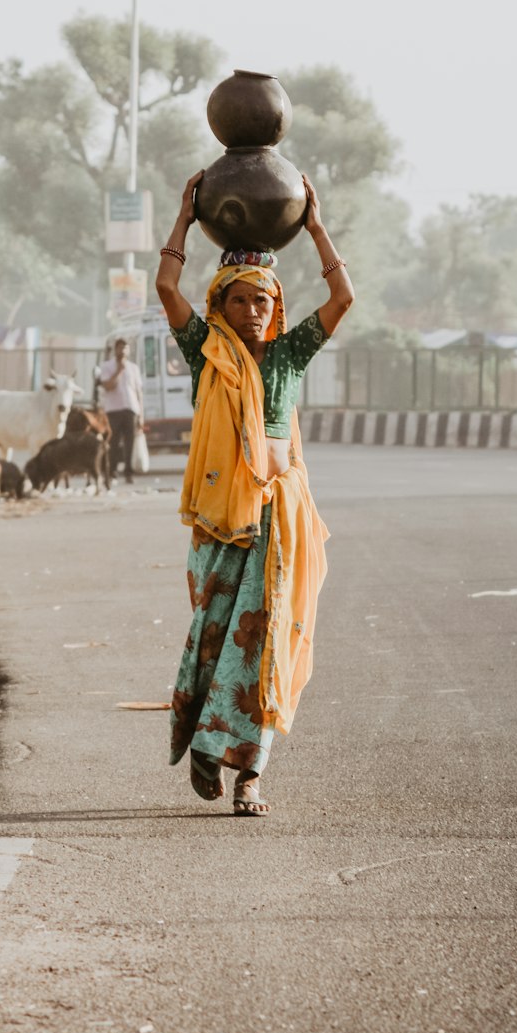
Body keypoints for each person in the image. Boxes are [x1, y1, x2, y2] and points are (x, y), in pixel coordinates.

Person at [155, 169, 354, 817]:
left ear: (277, 308)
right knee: (218, 634)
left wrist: (317, 228)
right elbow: (164, 286)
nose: (251, 312)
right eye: (238, 301)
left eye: (262, 301)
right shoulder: (206, 350)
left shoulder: (290, 355)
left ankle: (252, 776)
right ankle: (209, 748)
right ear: (219, 305)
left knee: (271, 638)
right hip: (222, 523)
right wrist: (184, 219)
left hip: (281, 520)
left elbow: (343, 298)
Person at [98, 338, 144, 484]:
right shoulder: (106, 366)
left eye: (125, 348)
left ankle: (128, 473)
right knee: (113, 443)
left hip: (130, 409)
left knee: (129, 443)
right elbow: (107, 386)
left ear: (128, 350)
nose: (122, 351)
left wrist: (141, 415)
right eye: (120, 348)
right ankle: (111, 472)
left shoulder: (134, 368)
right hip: (113, 410)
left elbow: (139, 392)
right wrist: (118, 371)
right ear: (115, 350)